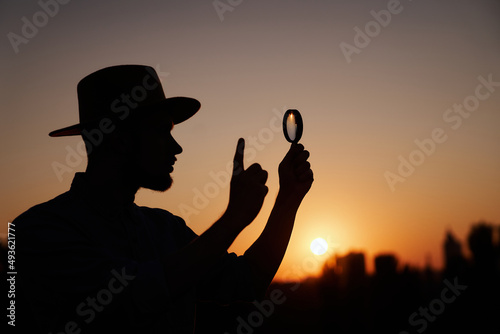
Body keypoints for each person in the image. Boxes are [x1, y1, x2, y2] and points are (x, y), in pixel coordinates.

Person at [14, 65, 313, 333]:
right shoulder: (36, 232)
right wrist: (233, 220)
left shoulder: (164, 228)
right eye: (162, 132)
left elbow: (246, 280)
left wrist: (287, 199)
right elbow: (132, 298)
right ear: (117, 137)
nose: (177, 147)